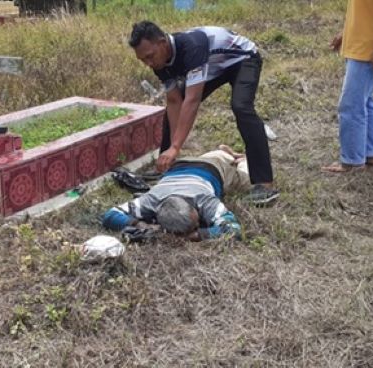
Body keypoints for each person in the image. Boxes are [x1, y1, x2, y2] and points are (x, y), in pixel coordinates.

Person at [128, 21, 279, 205]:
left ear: (162, 42)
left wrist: (176, 146)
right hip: (215, 67)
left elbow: (192, 100)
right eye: (143, 60)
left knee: (241, 107)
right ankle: (166, 166)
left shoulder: (192, 46)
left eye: (150, 57)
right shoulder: (159, 61)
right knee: (172, 108)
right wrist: (173, 148)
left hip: (243, 59)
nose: (148, 63)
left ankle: (264, 184)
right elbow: (175, 100)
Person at [101, 145, 248, 241]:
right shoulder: (152, 199)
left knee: (246, 176)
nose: (199, 224)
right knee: (212, 158)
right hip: (182, 163)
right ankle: (223, 152)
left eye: (195, 223)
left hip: (214, 169)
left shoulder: (204, 200)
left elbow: (233, 230)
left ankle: (241, 159)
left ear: (194, 210)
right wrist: (140, 225)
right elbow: (109, 215)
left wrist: (197, 235)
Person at [322, 0, 373, 173]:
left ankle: (352, 162)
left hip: (370, 48)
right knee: (365, 100)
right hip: (362, 44)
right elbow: (365, 12)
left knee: (351, 105)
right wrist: (346, 34)